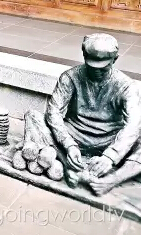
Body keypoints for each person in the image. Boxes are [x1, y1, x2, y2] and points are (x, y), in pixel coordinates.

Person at [19, 33, 141, 196]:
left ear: (115, 59)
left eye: (103, 67)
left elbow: (134, 124)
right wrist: (69, 144)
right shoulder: (70, 77)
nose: (96, 71)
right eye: (91, 65)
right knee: (33, 116)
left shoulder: (126, 86)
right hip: (74, 136)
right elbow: (53, 112)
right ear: (84, 55)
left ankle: (111, 180)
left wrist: (110, 157)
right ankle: (72, 165)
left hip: (109, 140)